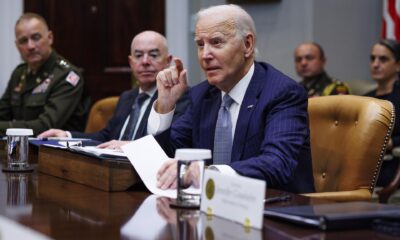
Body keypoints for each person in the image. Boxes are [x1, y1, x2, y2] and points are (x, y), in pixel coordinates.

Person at [148, 4, 315, 193]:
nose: (205, 55)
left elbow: (277, 163)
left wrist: (208, 173)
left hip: (275, 210)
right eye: (200, 44)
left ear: (247, 45)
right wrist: (165, 106)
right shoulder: (202, 95)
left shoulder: (282, 93)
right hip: (212, 210)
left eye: (216, 42)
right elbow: (169, 154)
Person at [39, 31, 188, 149]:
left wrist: (130, 147)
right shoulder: (127, 97)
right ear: (131, 62)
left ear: (168, 61)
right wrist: (66, 135)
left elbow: (169, 144)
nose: (145, 62)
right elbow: (106, 136)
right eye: (138, 55)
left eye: (153, 55)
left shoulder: (178, 98)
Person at [0, 13, 89, 135]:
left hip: (57, 151)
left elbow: (45, 126)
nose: (30, 46)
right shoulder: (19, 73)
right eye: (23, 41)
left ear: (50, 38)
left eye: (36, 37)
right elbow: (2, 113)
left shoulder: (67, 76)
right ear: (17, 46)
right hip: (23, 148)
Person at [364, 39, 400, 187]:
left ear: (398, 65)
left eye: (383, 59)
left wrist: (393, 142)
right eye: (373, 58)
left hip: (393, 163)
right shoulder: (364, 99)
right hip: (364, 162)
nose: (375, 64)